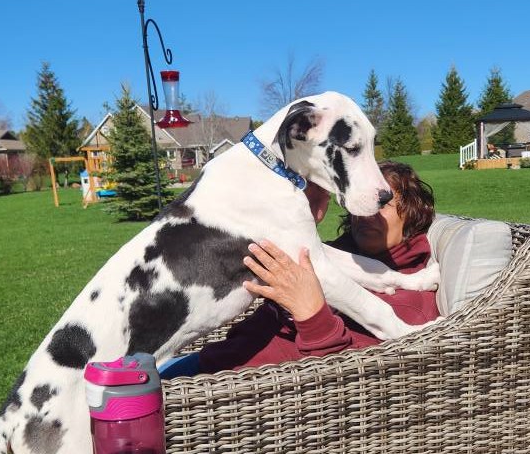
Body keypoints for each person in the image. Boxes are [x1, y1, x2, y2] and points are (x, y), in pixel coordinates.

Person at [159, 161, 440, 378]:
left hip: (245, 393)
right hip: (217, 356)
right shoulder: (333, 258)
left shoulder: (413, 301)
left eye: (382, 202)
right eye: (361, 202)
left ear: (413, 213)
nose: (366, 213)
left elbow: (355, 374)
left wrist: (311, 312)